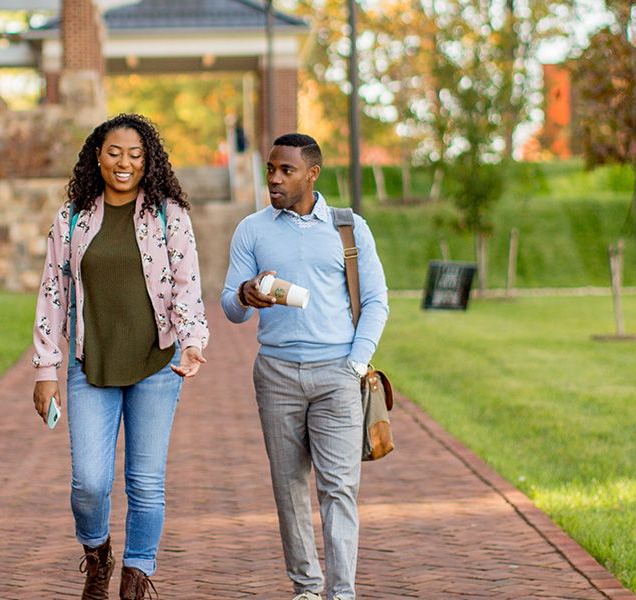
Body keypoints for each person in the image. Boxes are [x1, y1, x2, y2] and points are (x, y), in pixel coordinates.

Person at [30, 114, 210, 600]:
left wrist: (193, 342)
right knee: (89, 483)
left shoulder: (169, 215)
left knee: (146, 483)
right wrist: (46, 367)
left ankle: (135, 578)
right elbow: (52, 291)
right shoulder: (72, 218)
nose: (124, 163)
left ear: (148, 160)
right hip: (91, 365)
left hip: (157, 364)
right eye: (114, 152)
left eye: (135, 154)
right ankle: (97, 554)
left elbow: (187, 287)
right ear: (97, 156)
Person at [221, 133, 389, 600]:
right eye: (271, 168)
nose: (274, 178)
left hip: (337, 373)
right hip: (275, 375)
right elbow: (231, 308)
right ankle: (307, 589)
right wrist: (243, 296)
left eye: (285, 170)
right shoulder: (252, 229)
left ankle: (342, 592)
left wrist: (355, 365)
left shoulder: (348, 228)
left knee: (339, 489)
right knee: (289, 488)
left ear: (312, 173)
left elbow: (376, 300)